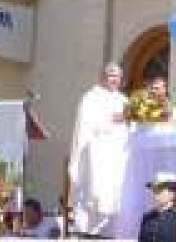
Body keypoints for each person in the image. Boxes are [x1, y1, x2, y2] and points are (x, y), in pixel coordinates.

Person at [68, 62, 129, 237]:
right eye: (111, 75)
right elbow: (86, 126)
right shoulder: (90, 98)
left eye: (117, 76)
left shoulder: (124, 100)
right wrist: (112, 121)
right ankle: (88, 232)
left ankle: (110, 231)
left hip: (118, 156)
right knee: (94, 191)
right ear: (103, 77)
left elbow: (129, 126)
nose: (114, 79)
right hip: (96, 156)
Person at [138, 172, 176, 242]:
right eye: (154, 189)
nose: (155, 193)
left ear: (172, 193)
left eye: (159, 190)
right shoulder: (147, 217)